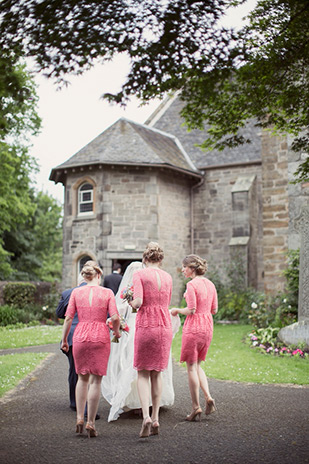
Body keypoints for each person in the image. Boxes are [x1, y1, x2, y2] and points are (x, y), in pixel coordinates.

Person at [101, 261, 180, 422]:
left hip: (139, 328)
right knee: (153, 369)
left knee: (134, 367)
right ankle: (150, 408)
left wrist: (117, 323)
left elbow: (121, 310)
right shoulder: (155, 281)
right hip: (152, 325)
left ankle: (139, 406)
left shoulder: (132, 290)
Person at [61, 261, 120, 438]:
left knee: (82, 378)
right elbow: (115, 317)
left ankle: (79, 418)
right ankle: (91, 422)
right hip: (100, 335)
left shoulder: (76, 292)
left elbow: (68, 318)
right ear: (99, 275)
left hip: (80, 335)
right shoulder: (107, 292)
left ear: (85, 277)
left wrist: (64, 339)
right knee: (96, 381)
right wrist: (116, 331)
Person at [129, 242, 174, 438]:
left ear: (145, 259)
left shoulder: (139, 274)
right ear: (161, 260)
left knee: (142, 373)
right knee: (157, 373)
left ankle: (145, 416)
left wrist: (130, 301)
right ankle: (156, 418)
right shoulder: (168, 277)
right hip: (164, 326)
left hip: (146, 325)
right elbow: (167, 302)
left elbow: (138, 302)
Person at [171, 254, 218, 422]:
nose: (183, 270)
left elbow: (191, 310)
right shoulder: (211, 285)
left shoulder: (191, 285)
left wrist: (176, 310)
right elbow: (214, 309)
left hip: (194, 328)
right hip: (207, 327)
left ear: (192, 268)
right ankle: (208, 397)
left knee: (190, 367)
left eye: (184, 267)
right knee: (198, 365)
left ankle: (195, 407)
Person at [56, 274, 97, 416]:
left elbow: (60, 313)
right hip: (94, 335)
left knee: (74, 370)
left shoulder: (68, 293)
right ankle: (88, 406)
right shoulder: (100, 292)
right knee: (92, 371)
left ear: (79, 281)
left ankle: (75, 403)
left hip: (72, 335)